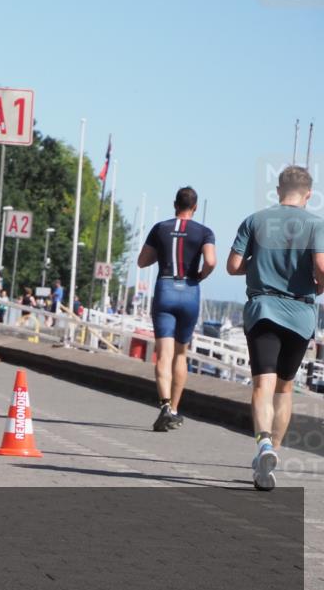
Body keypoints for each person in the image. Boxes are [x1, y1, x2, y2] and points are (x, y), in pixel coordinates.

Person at [226, 166, 324, 491]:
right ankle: (271, 461)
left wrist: (259, 264)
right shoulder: (317, 225)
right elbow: (322, 267)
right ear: (308, 193)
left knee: (262, 386)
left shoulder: (255, 220)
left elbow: (233, 265)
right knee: (285, 388)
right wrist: (318, 288)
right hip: (300, 314)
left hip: (264, 309)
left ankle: (263, 444)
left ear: (278, 189)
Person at [137, 186, 216, 432]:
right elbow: (211, 261)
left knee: (164, 354)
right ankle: (174, 410)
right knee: (181, 355)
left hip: (166, 288)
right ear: (195, 207)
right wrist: (200, 275)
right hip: (190, 291)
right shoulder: (204, 232)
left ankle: (164, 404)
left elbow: (142, 261)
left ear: (175, 204)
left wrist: (161, 252)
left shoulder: (160, 228)